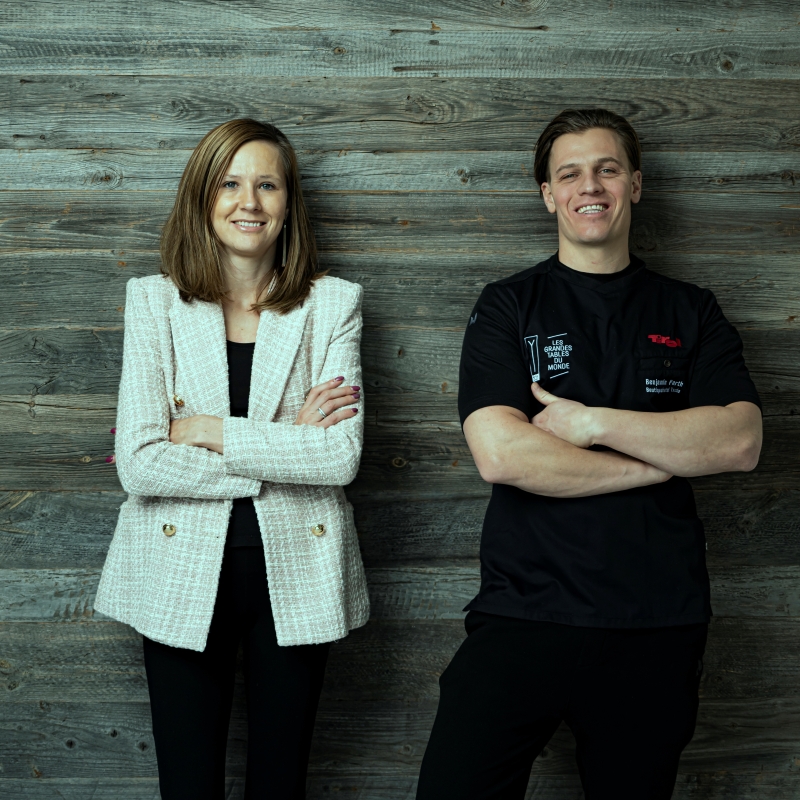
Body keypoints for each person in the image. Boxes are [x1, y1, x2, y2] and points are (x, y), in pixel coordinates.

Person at [415, 108, 762, 799]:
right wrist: (664, 456)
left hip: (656, 622)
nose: (590, 186)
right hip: (523, 613)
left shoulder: (691, 310)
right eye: (570, 174)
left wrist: (590, 423)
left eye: (607, 169)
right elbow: (503, 454)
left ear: (636, 183)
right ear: (549, 194)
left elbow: (739, 441)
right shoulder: (508, 306)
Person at [94, 118, 369, 800]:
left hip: (298, 570)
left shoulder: (332, 304)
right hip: (178, 568)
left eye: (267, 185)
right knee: (188, 787)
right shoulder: (154, 302)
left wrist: (210, 429)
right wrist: (284, 447)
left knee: (281, 785)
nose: (249, 202)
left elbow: (339, 457)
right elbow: (140, 463)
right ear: (203, 198)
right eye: (230, 184)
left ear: (289, 203)